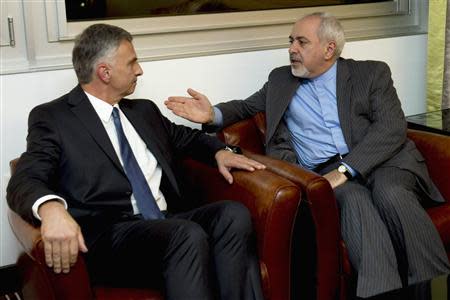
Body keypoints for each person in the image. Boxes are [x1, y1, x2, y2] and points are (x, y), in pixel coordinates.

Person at [165, 12, 450, 299]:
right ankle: (383, 293)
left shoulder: (372, 73)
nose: (292, 49)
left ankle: (433, 286)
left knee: (391, 193)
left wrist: (346, 170)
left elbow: (391, 128)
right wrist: (211, 113)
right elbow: (245, 107)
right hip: (324, 171)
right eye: (291, 41)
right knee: (354, 200)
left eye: (301, 42)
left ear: (329, 49)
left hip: (385, 160)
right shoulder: (280, 80)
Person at [6, 23, 266, 300]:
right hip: (111, 235)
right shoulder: (54, 118)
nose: (139, 70)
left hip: (167, 221)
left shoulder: (143, 111)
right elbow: (26, 177)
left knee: (232, 215)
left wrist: (220, 151)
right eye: (132, 63)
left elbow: (186, 138)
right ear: (104, 72)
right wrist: (51, 208)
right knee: (185, 234)